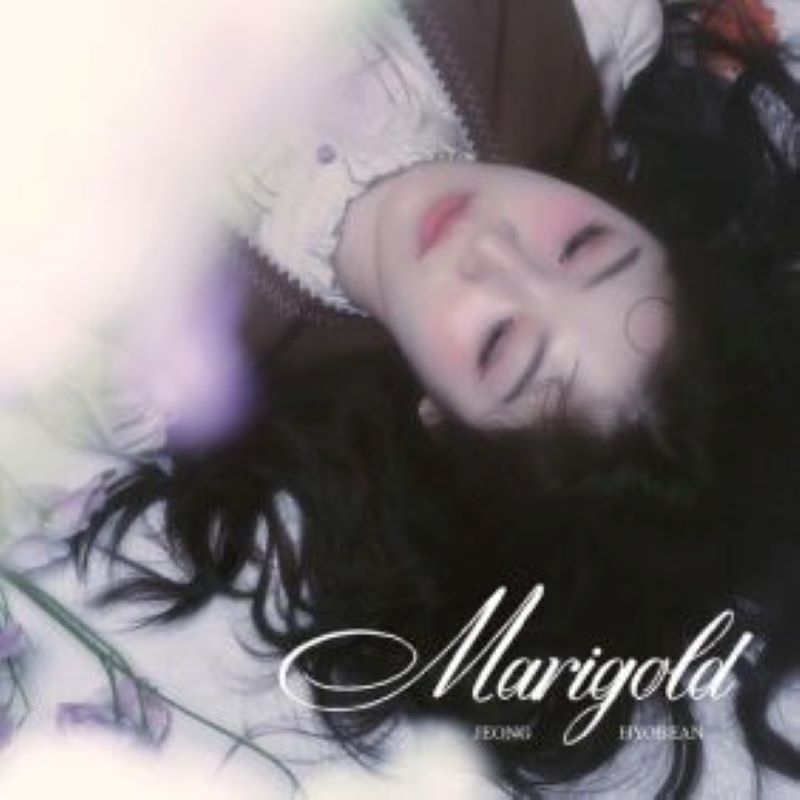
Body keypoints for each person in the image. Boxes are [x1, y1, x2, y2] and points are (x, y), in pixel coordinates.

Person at [37, 0, 800, 796]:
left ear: (441, 422)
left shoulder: (154, 354)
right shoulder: (572, 31)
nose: (496, 250)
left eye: (500, 343)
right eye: (583, 246)